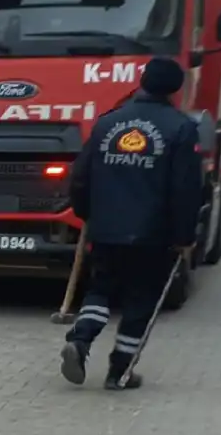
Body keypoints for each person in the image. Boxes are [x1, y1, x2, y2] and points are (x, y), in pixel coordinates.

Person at [59, 56, 202, 390]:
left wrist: (86, 212)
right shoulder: (181, 128)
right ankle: (119, 372)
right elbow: (185, 188)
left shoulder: (107, 122)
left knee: (100, 288)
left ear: (142, 81)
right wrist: (184, 235)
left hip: (106, 227)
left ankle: (80, 340)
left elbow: (80, 175)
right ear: (176, 88)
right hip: (153, 234)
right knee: (141, 299)